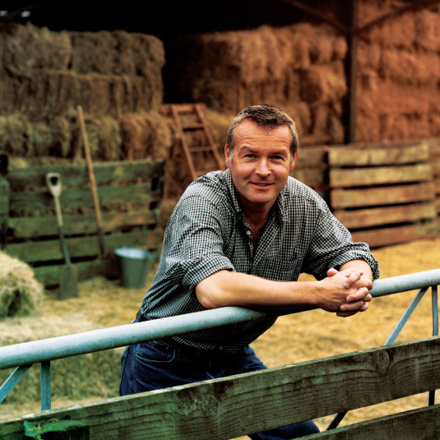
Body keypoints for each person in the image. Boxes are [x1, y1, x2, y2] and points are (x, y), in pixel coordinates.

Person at [119, 104, 380, 439]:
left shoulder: (304, 203)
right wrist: (318, 294)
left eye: (276, 157)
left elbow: (350, 252)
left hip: (233, 354)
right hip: (165, 356)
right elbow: (213, 289)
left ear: (292, 159)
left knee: (299, 436)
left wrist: (356, 279)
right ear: (228, 156)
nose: (263, 170)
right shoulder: (202, 200)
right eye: (250, 156)